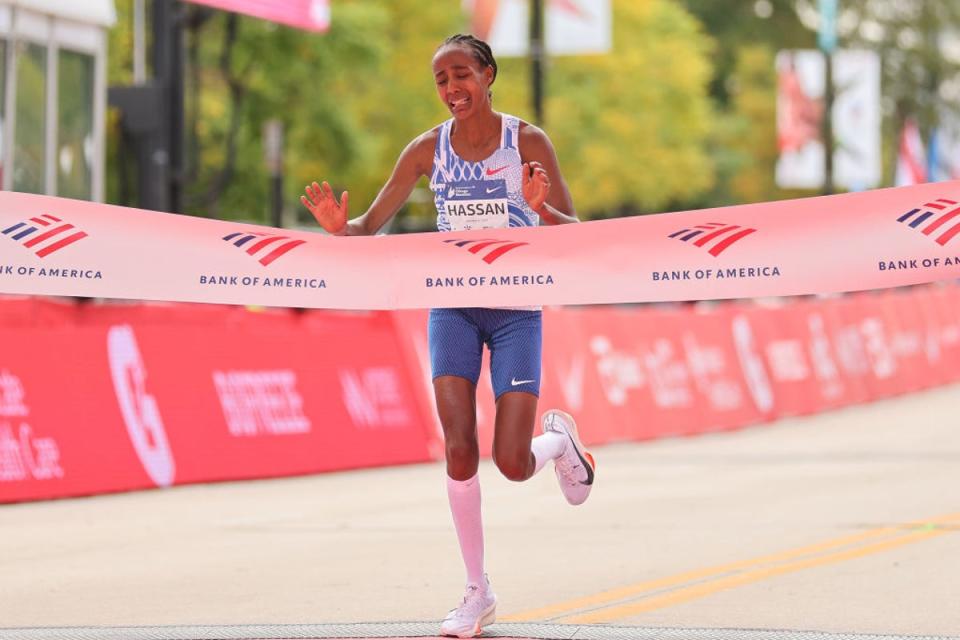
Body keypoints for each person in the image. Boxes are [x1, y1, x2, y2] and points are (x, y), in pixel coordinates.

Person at [301, 33, 595, 639]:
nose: (452, 89)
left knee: (510, 463)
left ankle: (559, 445)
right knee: (459, 449)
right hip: (452, 309)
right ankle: (477, 591)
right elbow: (367, 228)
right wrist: (340, 229)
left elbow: (575, 234)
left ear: (488, 75)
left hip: (516, 309)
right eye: (441, 80)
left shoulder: (528, 141)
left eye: (461, 75)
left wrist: (542, 212)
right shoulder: (425, 151)